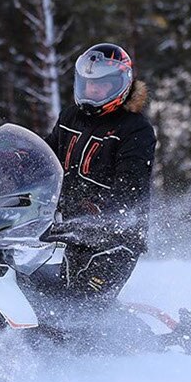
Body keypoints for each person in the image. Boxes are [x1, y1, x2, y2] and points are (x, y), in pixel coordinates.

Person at [40, 42, 155, 300]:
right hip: (72, 232)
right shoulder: (70, 117)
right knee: (53, 301)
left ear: (120, 85)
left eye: (101, 85)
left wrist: (94, 216)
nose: (93, 90)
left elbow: (131, 188)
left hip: (114, 240)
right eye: (88, 84)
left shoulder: (135, 130)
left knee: (81, 308)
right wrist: (10, 162)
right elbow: (45, 158)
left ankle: (120, 340)